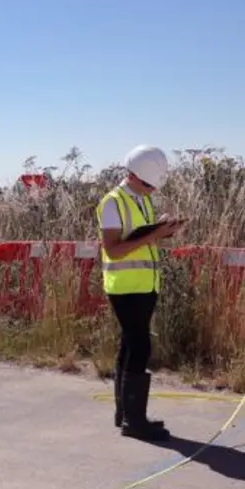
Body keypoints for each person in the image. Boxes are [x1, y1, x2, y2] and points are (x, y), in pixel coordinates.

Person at [96, 144, 184, 442]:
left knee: (130, 346)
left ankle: (126, 415)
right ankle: (134, 421)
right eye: (148, 184)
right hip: (125, 288)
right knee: (139, 348)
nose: (151, 190)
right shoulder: (113, 202)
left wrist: (161, 231)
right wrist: (154, 234)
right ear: (132, 176)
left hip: (145, 285)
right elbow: (114, 249)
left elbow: (141, 241)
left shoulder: (141, 201)